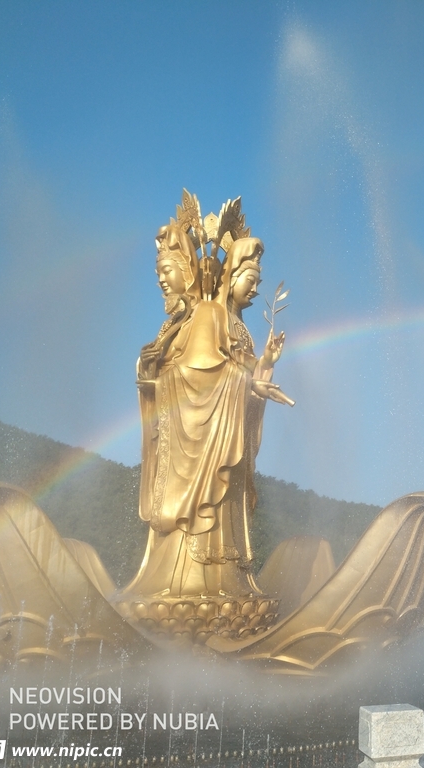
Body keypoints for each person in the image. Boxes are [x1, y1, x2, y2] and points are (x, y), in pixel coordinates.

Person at [125, 232, 293, 599]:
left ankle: (227, 581)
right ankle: (187, 582)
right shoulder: (208, 313)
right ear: (231, 276)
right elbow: (194, 375)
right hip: (200, 443)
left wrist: (264, 365)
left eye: (256, 282)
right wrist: (245, 385)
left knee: (225, 533)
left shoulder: (236, 326)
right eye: (250, 280)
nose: (253, 289)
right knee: (195, 564)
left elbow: (235, 369)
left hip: (224, 443)